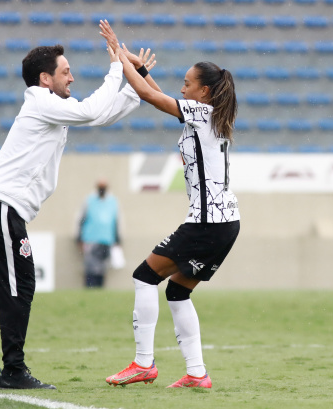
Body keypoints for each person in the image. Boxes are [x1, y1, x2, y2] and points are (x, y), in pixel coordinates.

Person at [0, 34, 140, 390]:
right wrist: (117, 68)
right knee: (20, 285)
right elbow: (90, 111)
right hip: (1, 206)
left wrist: (134, 85)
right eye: (66, 72)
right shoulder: (40, 101)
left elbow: (99, 116)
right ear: (44, 79)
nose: (71, 77)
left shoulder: (49, 105)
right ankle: (13, 370)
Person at [100, 21, 240, 389]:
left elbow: (148, 96)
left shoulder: (202, 113)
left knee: (144, 276)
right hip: (225, 225)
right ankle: (197, 374)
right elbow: (157, 94)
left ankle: (143, 363)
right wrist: (135, 65)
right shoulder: (210, 116)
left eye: (187, 83)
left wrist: (119, 57)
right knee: (177, 291)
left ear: (203, 91)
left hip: (207, 224)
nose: (182, 87)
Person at [76, 178, 121, 288]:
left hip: (106, 239)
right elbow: (81, 219)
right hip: (91, 239)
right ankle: (90, 289)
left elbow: (116, 221)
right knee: (91, 267)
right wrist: (79, 238)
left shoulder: (113, 201)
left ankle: (99, 290)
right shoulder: (89, 200)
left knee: (102, 268)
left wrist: (117, 239)